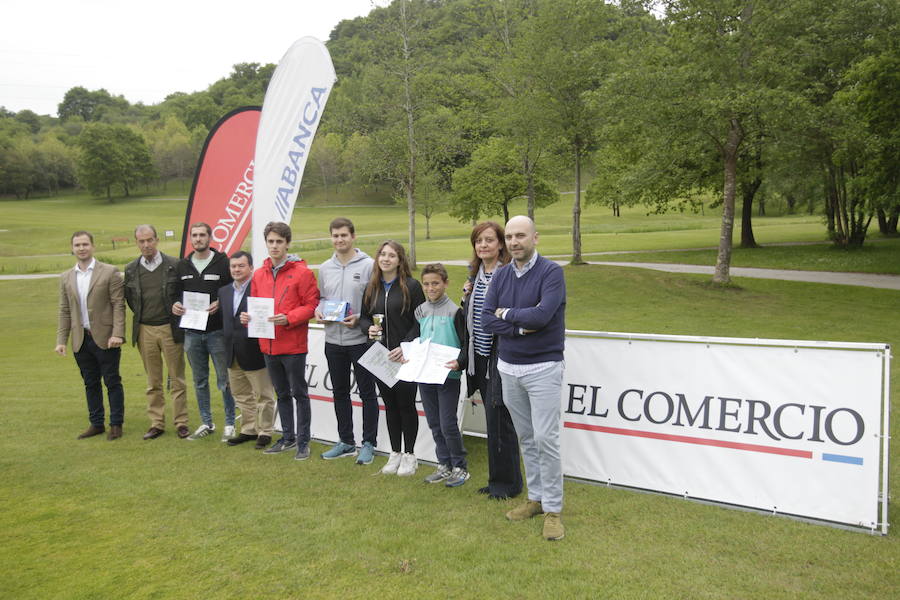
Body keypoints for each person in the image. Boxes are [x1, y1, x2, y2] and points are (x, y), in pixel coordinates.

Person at [481, 215, 567, 541]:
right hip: (508, 367)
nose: (514, 241)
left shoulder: (552, 273)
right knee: (527, 438)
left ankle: (554, 510)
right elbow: (488, 318)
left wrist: (507, 313)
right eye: (510, 236)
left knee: (546, 438)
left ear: (535, 238)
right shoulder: (501, 275)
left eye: (521, 235)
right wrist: (517, 324)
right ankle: (536, 499)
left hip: (543, 367)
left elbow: (543, 315)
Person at [241, 222, 319, 460]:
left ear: (287, 244)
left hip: (293, 344)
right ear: (266, 243)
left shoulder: (302, 272)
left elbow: (312, 305)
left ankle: (303, 441)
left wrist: (289, 318)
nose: (274, 246)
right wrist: (248, 317)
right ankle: (287, 437)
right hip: (268, 344)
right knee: (281, 394)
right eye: (270, 241)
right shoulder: (259, 274)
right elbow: (255, 305)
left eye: (279, 242)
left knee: (299, 393)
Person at [462, 221, 523, 499]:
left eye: (489, 240)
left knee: (502, 421)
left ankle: (508, 485)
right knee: (492, 421)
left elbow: (506, 315)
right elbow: (472, 316)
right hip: (479, 356)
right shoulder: (475, 274)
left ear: (500, 244)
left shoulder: (509, 274)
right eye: (479, 241)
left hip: (500, 355)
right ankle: (496, 479)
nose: (483, 245)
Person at [398, 263, 469, 487]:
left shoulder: (456, 311)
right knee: (434, 423)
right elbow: (416, 337)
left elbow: (466, 343)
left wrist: (460, 363)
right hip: (425, 376)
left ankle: (460, 466)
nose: (431, 288)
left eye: (436, 283)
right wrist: (408, 351)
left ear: (446, 284)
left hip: (448, 376)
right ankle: (444, 464)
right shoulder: (420, 311)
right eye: (427, 284)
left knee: (448, 423)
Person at [315, 218, 379, 465]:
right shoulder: (324, 268)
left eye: (343, 235)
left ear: (353, 237)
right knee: (340, 392)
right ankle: (345, 441)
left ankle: (369, 443)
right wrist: (319, 310)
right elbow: (322, 297)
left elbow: (375, 302)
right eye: (335, 236)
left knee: (367, 394)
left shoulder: (369, 266)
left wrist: (361, 319)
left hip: (360, 339)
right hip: (333, 340)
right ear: (331, 238)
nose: (339, 240)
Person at [358, 240, 425, 477]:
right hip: (380, 357)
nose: (386, 259)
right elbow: (363, 318)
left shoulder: (412, 286)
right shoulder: (371, 287)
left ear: (400, 260)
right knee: (390, 406)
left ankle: (410, 455)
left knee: (406, 405)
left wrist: (405, 347)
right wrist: (368, 329)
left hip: (404, 357)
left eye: (392, 256)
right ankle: (395, 453)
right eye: (383, 254)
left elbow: (420, 322)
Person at [55, 231, 126, 440]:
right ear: (72, 248)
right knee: (90, 383)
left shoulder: (110, 272)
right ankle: (96, 424)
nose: (81, 248)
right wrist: (61, 341)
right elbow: (64, 310)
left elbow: (118, 305)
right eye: (77, 245)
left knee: (112, 381)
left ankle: (116, 424)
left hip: (106, 338)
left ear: (93, 246)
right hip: (80, 339)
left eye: (85, 244)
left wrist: (118, 334)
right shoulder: (66, 277)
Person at [124, 224, 190, 440]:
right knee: (153, 381)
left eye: (150, 240)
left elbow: (183, 293)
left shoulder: (174, 265)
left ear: (157, 240)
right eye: (141, 241)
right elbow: (131, 299)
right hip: (145, 329)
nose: (146, 245)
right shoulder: (131, 269)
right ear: (136, 242)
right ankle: (157, 423)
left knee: (177, 378)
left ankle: (181, 422)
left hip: (170, 328)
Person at [171, 222, 236, 442]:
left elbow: (232, 292)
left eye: (202, 235)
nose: (198, 239)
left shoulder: (222, 263)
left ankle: (229, 423)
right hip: (191, 333)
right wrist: (176, 305)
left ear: (210, 238)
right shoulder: (182, 265)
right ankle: (206, 422)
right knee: (199, 380)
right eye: (195, 235)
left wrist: (220, 303)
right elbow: (174, 294)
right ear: (191, 239)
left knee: (224, 379)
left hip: (216, 331)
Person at [219, 252, 276, 450]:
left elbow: (267, 315)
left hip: (254, 349)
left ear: (251, 268)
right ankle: (249, 429)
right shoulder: (224, 291)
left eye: (241, 266)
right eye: (233, 266)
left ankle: (265, 431)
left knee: (263, 394)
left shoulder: (259, 288)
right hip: (232, 351)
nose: (236, 269)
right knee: (241, 395)